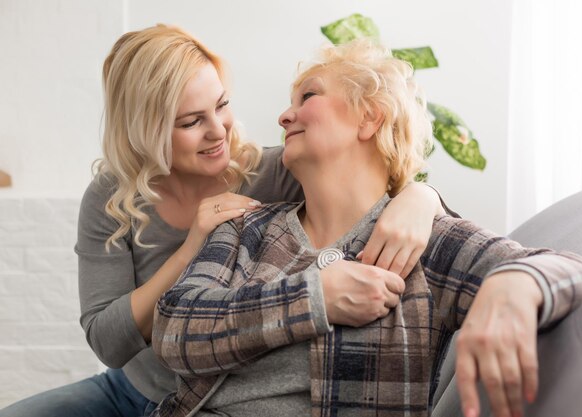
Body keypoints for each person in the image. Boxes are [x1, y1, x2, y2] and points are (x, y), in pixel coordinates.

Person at [0, 26, 447, 417]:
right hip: (131, 391)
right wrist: (193, 246)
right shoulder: (111, 199)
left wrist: (420, 196)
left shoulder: (272, 173)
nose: (220, 131)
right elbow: (107, 343)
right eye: (192, 121)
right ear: (146, 131)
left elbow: (366, 190)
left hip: (212, 394)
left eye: (222, 104)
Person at [150, 40, 582, 417]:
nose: (284, 117)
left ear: (370, 117)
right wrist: (314, 298)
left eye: (307, 97)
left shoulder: (429, 246)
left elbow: (574, 270)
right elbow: (173, 330)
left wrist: (515, 284)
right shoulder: (247, 226)